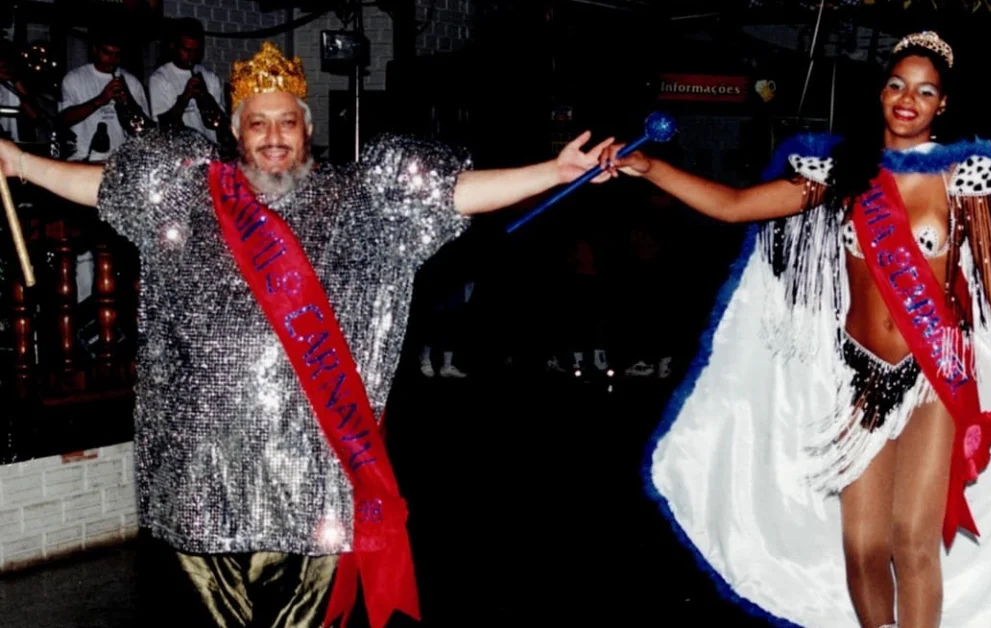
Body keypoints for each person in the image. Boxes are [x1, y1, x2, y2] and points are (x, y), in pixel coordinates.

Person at [0, 40, 615, 628]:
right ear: (236, 133)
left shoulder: (357, 200)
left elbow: (449, 194)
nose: (274, 137)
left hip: (314, 474)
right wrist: (20, 162)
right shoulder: (188, 196)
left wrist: (553, 172)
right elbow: (105, 187)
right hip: (200, 476)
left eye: (287, 122)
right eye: (258, 123)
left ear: (308, 128)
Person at [598, 31, 991, 628]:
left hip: (934, 378)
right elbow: (736, 205)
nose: (908, 99)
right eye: (897, 85)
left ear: (943, 104)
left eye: (925, 91)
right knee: (863, 547)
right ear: (880, 93)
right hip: (860, 378)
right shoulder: (844, 174)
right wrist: (650, 168)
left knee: (913, 540)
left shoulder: (965, 178)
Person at [58, 26, 151, 162]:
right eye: (107, 53)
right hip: (83, 159)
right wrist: (101, 100)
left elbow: (145, 130)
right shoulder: (73, 78)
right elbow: (64, 119)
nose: (112, 60)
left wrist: (129, 102)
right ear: (95, 49)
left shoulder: (131, 81)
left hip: (119, 160)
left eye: (117, 55)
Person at [148, 17, 228, 147]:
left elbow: (221, 123)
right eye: (186, 50)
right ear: (173, 46)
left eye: (195, 51)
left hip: (208, 149)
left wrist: (206, 97)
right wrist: (185, 96)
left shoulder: (210, 77)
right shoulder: (160, 78)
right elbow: (163, 125)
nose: (191, 56)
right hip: (177, 151)